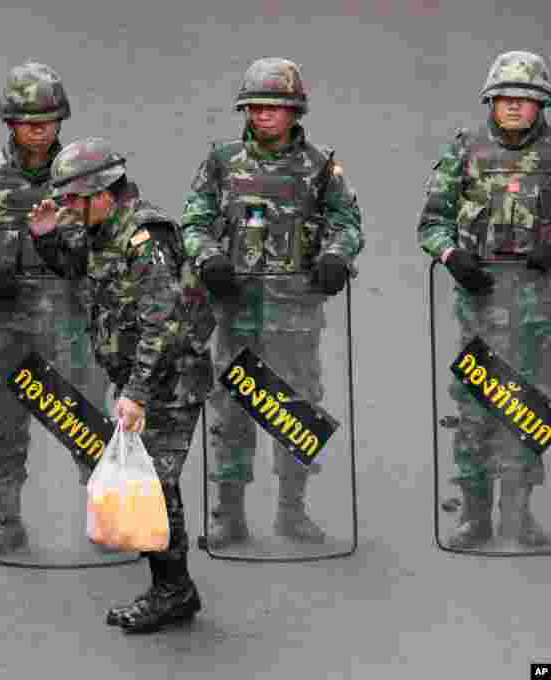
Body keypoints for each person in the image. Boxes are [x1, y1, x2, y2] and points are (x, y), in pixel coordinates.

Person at [28, 137, 215, 633]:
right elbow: (77, 270)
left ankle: (174, 591)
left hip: (170, 382)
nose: (67, 208)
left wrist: (136, 392)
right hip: (145, 378)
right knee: (155, 484)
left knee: (156, 485)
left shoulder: (144, 238)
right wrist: (47, 236)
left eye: (72, 199)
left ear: (103, 192)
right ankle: (173, 586)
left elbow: (165, 324)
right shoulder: (102, 230)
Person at [181, 57, 363, 549]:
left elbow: (347, 222)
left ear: (294, 111)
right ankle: (229, 515)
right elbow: (193, 221)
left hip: (295, 314)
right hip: (235, 311)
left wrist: (335, 258)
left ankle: (291, 511)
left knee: (296, 409)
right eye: (254, 106)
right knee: (231, 412)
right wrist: (209, 258)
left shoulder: (321, 166)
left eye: (273, 107)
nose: (262, 114)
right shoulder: (221, 162)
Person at [0, 61, 102, 558]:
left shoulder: (83, 171)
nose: (38, 127)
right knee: (7, 423)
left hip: (72, 315)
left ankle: (107, 517)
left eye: (48, 118)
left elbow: (105, 231)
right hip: (9, 318)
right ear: (10, 122)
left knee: (86, 418)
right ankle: (7, 522)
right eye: (27, 119)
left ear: (62, 120)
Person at [419, 50, 551, 549]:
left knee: (530, 411)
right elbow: (431, 222)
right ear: (490, 101)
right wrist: (452, 255)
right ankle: (475, 517)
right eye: (505, 98)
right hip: (479, 310)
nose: (515, 106)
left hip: (541, 314)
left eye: (525, 98)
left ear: (541, 104)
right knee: (475, 412)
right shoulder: (465, 150)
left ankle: (519, 514)